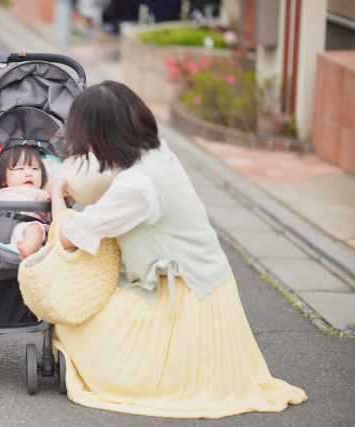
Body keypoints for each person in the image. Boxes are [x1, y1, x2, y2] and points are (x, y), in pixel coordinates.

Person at [45, 81, 307, 418]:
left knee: (72, 322)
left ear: (99, 136)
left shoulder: (135, 187)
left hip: (179, 303)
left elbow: (67, 237)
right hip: (208, 290)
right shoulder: (157, 153)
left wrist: (56, 190)